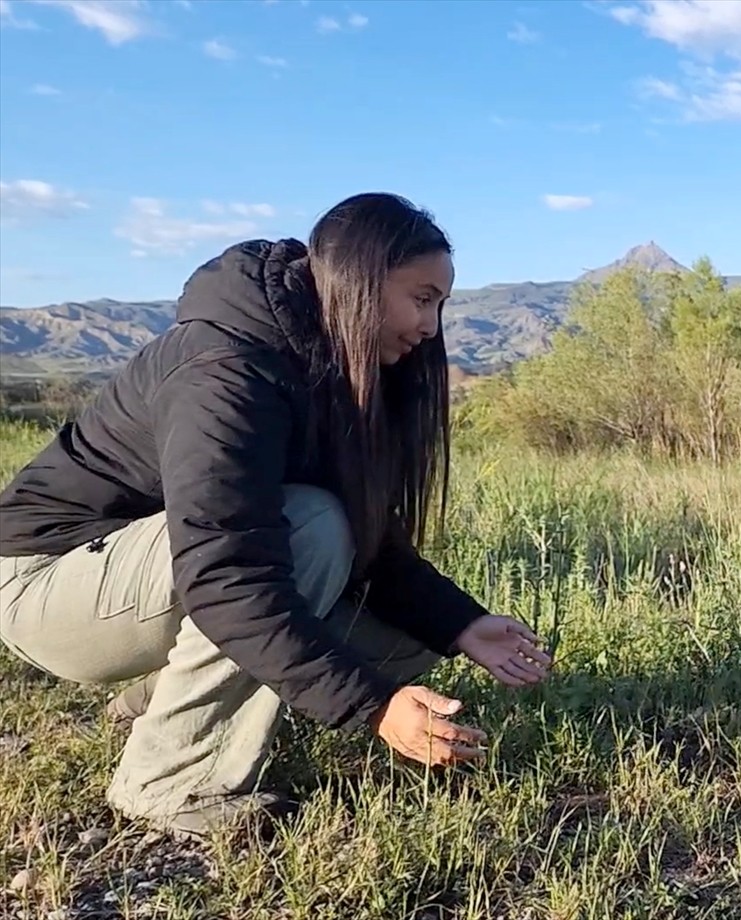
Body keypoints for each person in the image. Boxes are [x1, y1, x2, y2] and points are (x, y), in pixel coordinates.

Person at [0, 191, 553, 840]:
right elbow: (226, 574)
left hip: (149, 575)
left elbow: (368, 543)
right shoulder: (225, 369)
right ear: (358, 281)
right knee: (310, 526)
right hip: (44, 586)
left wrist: (460, 623)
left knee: (402, 638)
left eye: (441, 305)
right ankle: (170, 782)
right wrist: (374, 706)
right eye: (422, 298)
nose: (431, 327)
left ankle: (163, 700)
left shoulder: (328, 364)